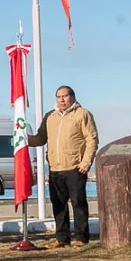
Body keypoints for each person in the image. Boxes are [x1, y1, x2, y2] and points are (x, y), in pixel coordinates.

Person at [28, 86, 99, 248]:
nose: (61, 100)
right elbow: (40, 139)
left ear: (72, 97)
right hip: (55, 169)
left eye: (65, 96)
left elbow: (92, 140)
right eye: (58, 97)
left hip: (75, 167)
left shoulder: (83, 114)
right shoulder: (50, 117)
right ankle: (62, 239)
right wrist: (24, 138)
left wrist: (86, 163)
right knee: (58, 205)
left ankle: (81, 238)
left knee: (78, 203)